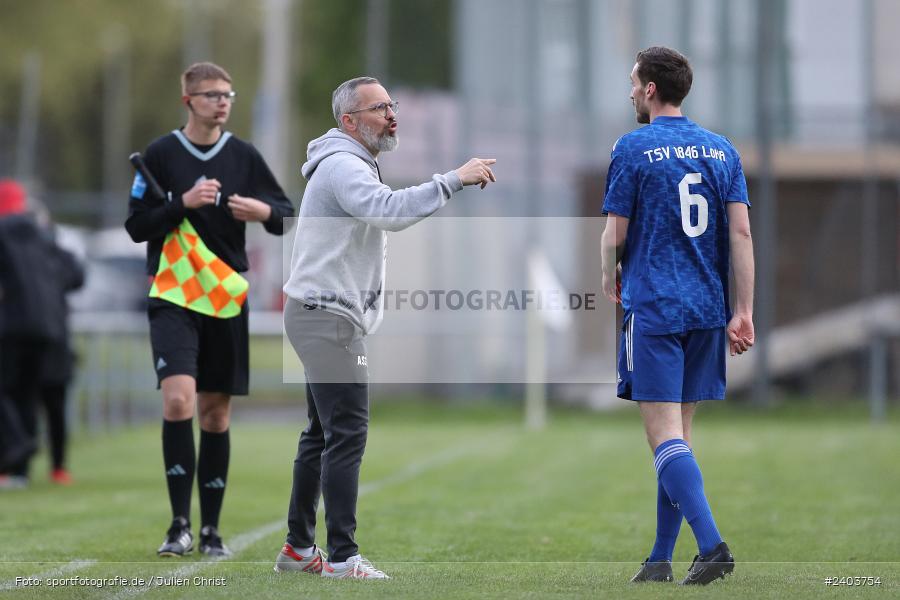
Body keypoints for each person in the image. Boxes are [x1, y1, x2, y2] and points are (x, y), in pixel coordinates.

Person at [275, 76, 496, 579]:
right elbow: (389, 211)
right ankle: (342, 558)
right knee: (347, 432)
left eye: (391, 105)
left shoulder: (350, 162)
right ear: (349, 121)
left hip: (319, 313)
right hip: (326, 317)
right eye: (378, 108)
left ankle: (297, 550)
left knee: (321, 434)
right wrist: (453, 179)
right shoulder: (343, 165)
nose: (392, 114)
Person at [125, 62, 295, 557]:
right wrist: (182, 203)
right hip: (173, 295)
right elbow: (136, 226)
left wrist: (263, 211)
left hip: (224, 297)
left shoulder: (243, 155)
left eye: (228, 95)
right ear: (188, 101)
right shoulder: (160, 154)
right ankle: (179, 524)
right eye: (211, 95)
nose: (222, 102)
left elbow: (284, 214)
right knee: (178, 401)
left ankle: (211, 530)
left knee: (215, 414)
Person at [600, 47, 755, 585]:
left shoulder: (633, 146)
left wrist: (607, 274)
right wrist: (743, 310)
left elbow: (615, 234)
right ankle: (660, 560)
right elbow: (741, 233)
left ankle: (712, 547)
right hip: (707, 309)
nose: (629, 90)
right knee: (678, 437)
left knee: (663, 436)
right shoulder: (721, 149)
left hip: (656, 307)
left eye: (632, 81)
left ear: (649, 89)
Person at [0, 179, 82, 488]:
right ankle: (32, 468)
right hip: (51, 329)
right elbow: (75, 274)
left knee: (13, 392)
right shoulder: (43, 235)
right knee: (33, 396)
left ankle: (18, 449)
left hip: (12, 326)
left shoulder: (4, 233)